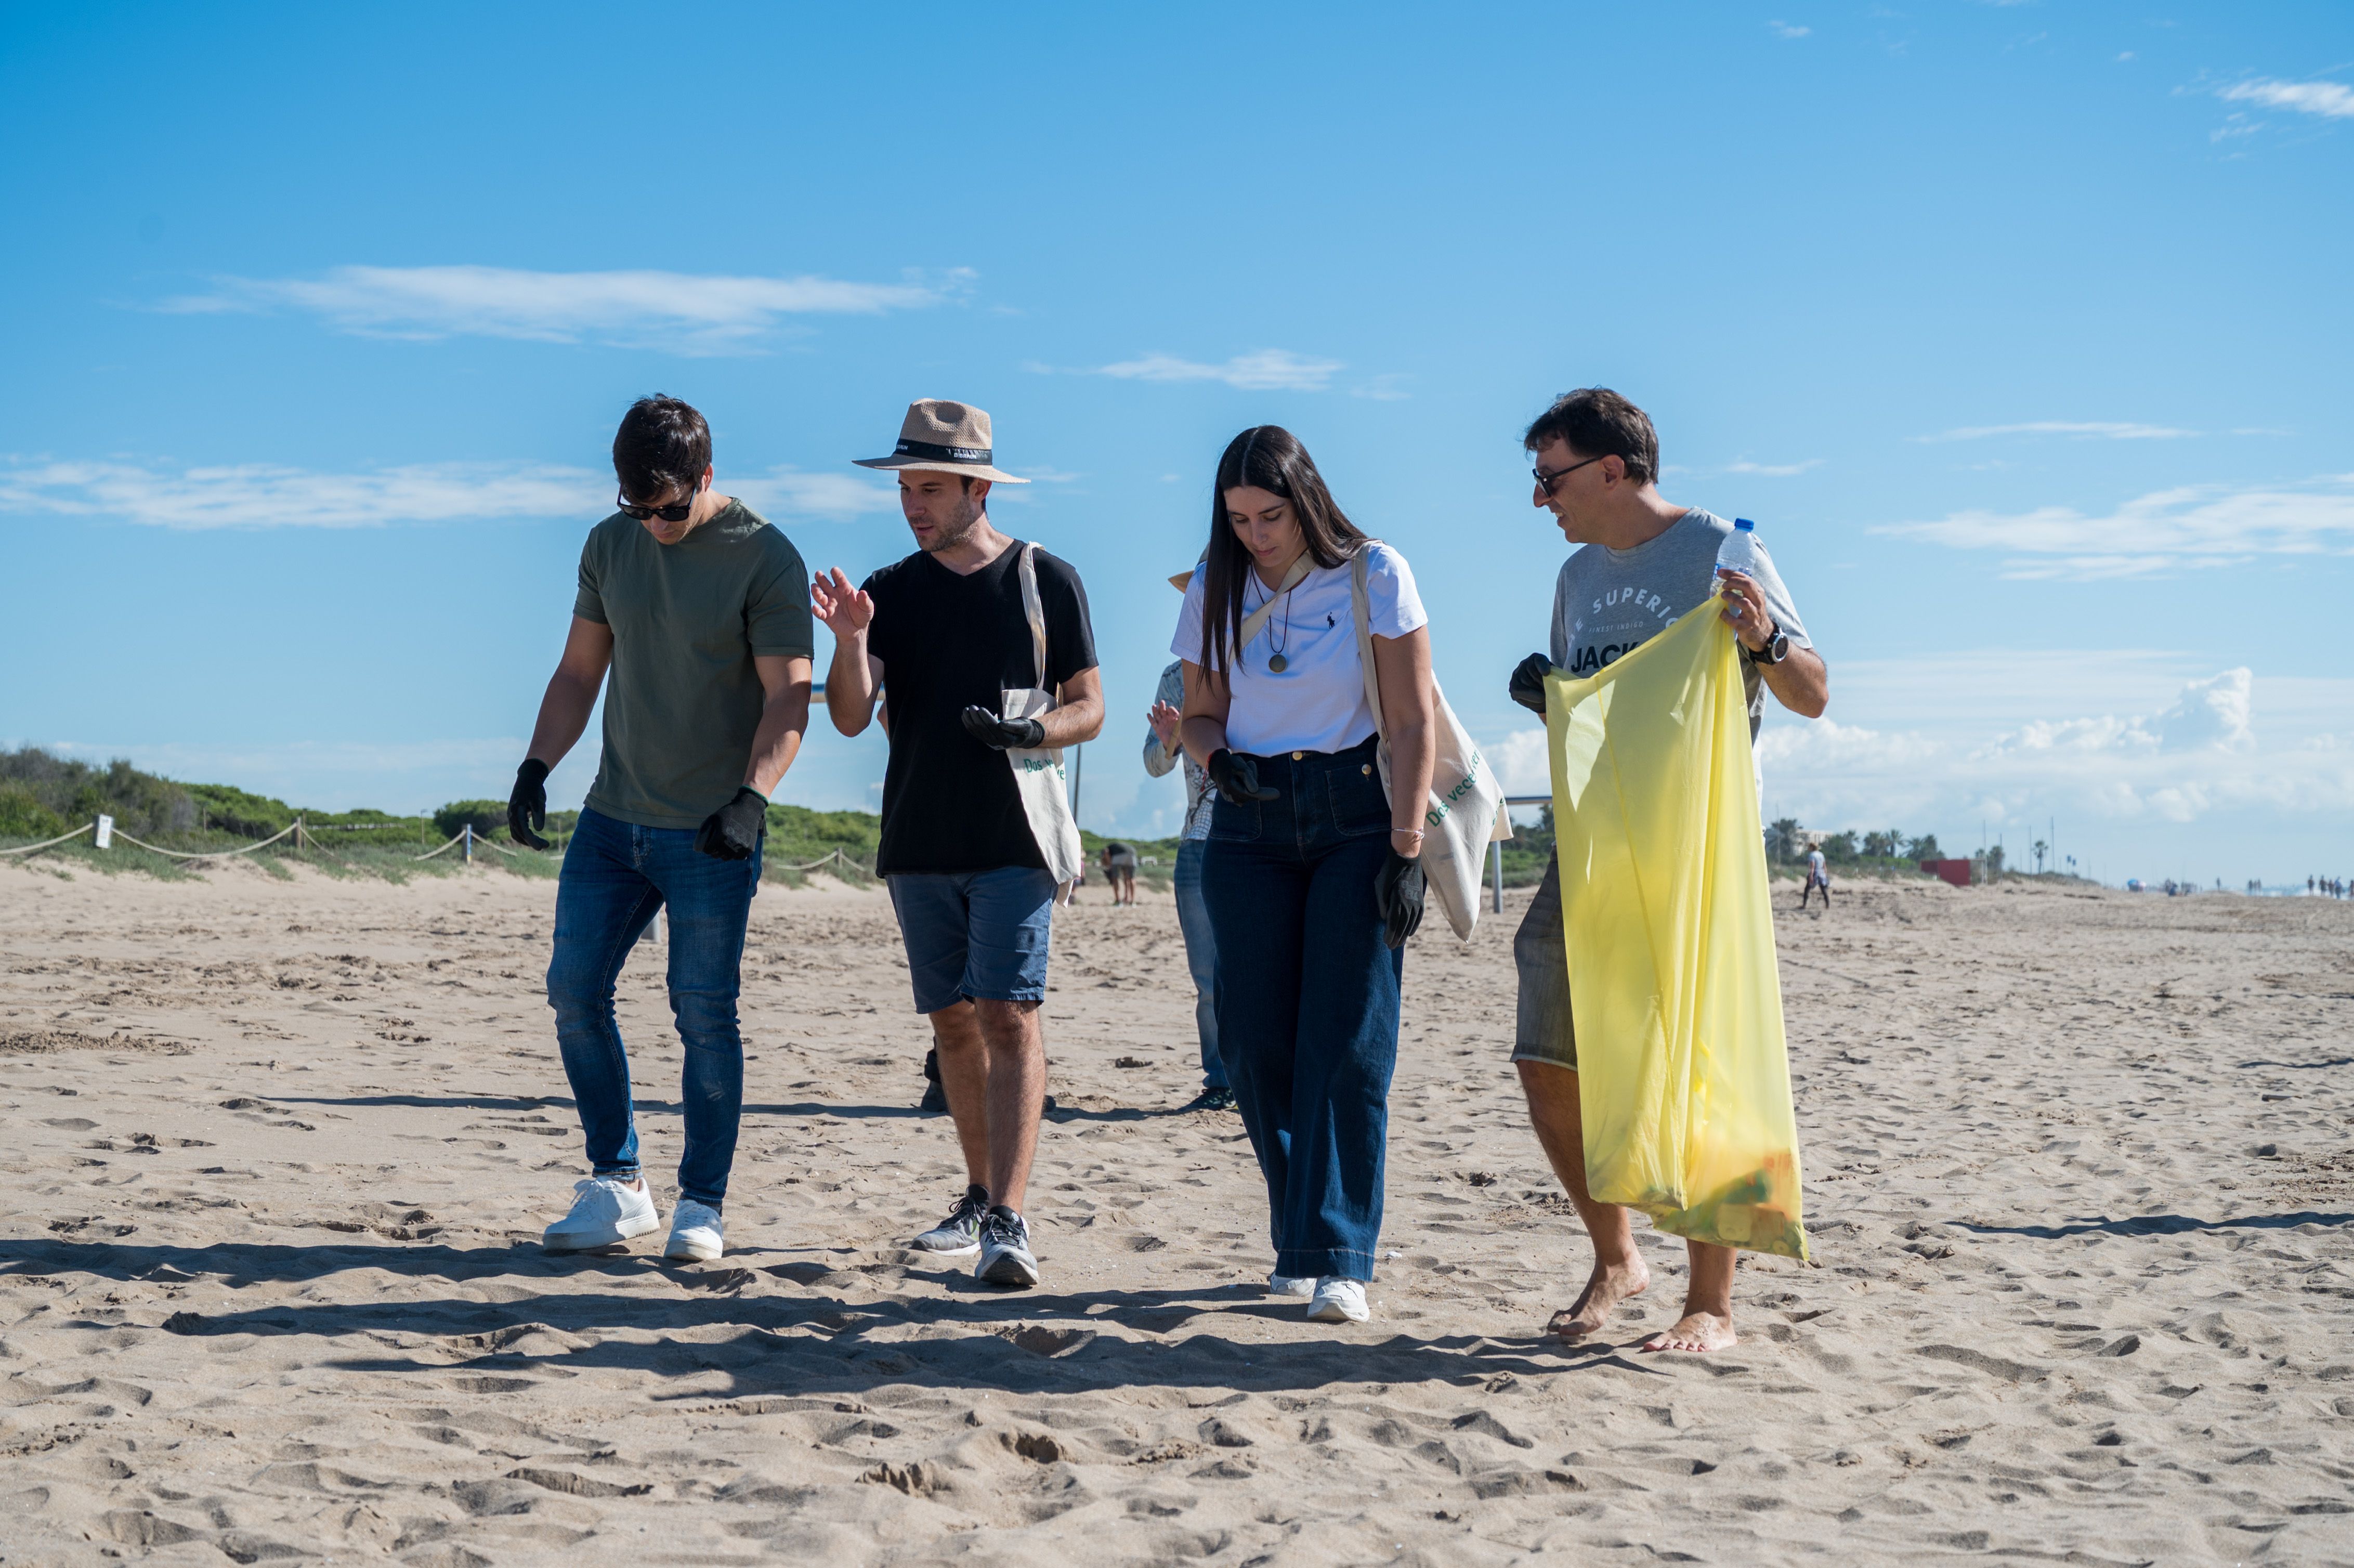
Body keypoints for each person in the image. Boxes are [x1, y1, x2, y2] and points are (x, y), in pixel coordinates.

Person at [1504, 387, 1827, 1354]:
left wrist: (1764, 638)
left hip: (1694, 849)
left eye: (1548, 478)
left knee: (1697, 1059)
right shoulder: (1573, 576)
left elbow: (1810, 692)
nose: (1539, 500)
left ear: (1613, 469)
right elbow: (1600, 707)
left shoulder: (1722, 547)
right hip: (1592, 841)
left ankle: (1711, 1303)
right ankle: (1615, 1253)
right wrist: (1548, 697)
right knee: (1543, 1049)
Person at [512, 395, 813, 1264]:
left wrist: (751, 797)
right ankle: (620, 1186)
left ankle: (702, 1204)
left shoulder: (764, 556)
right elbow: (577, 672)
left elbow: (790, 693)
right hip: (613, 821)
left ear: (706, 479)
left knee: (704, 1015)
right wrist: (537, 765)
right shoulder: (611, 546)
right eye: (636, 508)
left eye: (670, 507)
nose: (654, 524)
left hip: (713, 831)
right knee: (573, 991)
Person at [812, 399, 1103, 1290]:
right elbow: (855, 719)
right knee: (950, 1020)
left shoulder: (1044, 579)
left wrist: (1033, 734)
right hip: (917, 835)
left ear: (978, 486)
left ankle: (1009, 1220)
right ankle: (978, 1193)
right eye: (905, 488)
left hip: (1016, 836)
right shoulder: (889, 591)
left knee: (1009, 1012)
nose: (912, 504)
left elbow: (1089, 706)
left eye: (930, 488)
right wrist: (853, 641)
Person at [1174, 425, 1434, 1326]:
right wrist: (1216, 761)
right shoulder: (1214, 584)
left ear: (1306, 498)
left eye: (1269, 515)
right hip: (1246, 820)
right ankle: (1301, 1233)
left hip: (1355, 813)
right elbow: (1199, 714)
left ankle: (1339, 1256)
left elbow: (1408, 721)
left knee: (1346, 1038)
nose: (1255, 534)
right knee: (1251, 1038)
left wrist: (1405, 850)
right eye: (1238, 518)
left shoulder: (1373, 572)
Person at [1145, 629, 1233, 1112]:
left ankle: (1267, 1081)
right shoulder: (1176, 677)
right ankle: (1221, 1083)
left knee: (1267, 968)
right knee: (1208, 978)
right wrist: (1173, 740)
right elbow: (1154, 763)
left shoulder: (1268, 656)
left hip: (1264, 834)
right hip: (1199, 836)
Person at [1800, 843, 1833, 909]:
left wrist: (1811, 876)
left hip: (1815, 873)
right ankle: (1828, 905)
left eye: (1809, 847)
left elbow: (1812, 867)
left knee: (1807, 890)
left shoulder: (1812, 855)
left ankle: (1804, 905)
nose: (1808, 848)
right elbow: (1824, 866)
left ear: (1812, 847)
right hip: (1822, 874)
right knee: (1824, 890)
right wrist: (1825, 875)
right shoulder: (1821, 854)